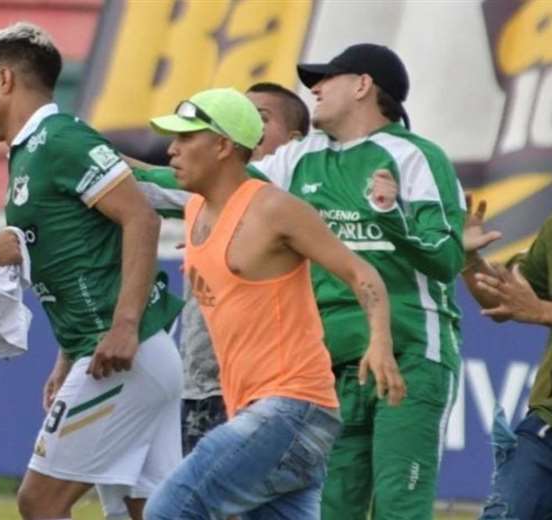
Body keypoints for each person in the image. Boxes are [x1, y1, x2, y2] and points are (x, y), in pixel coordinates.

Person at [134, 43, 464, 520]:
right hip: (330, 367)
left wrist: (390, 218)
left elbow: (448, 258)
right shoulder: (298, 159)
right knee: (335, 511)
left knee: (399, 507)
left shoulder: (416, 157)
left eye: (326, 79)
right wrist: (97, 163)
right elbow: (219, 181)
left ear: (362, 85)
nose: (314, 88)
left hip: (409, 350)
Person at [0, 22, 184, 520]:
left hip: (121, 355)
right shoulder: (29, 152)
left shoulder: (59, 139)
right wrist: (66, 359)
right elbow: (72, 253)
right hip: (127, 353)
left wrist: (124, 326)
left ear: (5, 80)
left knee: (39, 501)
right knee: (145, 509)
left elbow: (141, 218)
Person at [178, 81, 310, 454]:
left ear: (295, 142)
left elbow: (355, 271)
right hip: (199, 382)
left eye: (260, 119)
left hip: (259, 388)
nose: (244, 128)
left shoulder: (284, 209)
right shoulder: (202, 205)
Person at [461, 195, 552, 519]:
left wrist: (542, 311)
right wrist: (468, 257)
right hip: (546, 425)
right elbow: (505, 299)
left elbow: (534, 307)